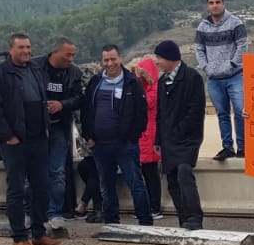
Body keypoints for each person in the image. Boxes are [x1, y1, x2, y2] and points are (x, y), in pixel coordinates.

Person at [0, 33, 60, 245]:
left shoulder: (36, 70)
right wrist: (8, 136)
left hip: (38, 139)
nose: (26, 51)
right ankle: (19, 237)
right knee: (17, 189)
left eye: (28, 47)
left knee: (42, 187)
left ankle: (38, 232)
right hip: (14, 142)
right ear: (11, 49)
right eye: (21, 48)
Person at [80, 44, 155, 226]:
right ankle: (112, 222)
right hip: (100, 145)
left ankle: (145, 222)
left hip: (125, 145)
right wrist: (88, 136)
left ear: (119, 58)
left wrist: (133, 136)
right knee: (106, 186)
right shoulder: (95, 82)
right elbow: (86, 110)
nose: (110, 63)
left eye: (113, 59)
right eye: (106, 60)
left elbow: (141, 111)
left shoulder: (131, 82)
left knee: (136, 183)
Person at [153, 40, 207, 230]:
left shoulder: (191, 77)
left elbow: (196, 110)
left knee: (184, 172)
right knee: (173, 181)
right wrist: (158, 139)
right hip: (168, 140)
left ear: (170, 58)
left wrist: (179, 131)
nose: (157, 62)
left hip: (186, 139)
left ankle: (194, 216)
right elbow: (160, 113)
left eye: (159, 58)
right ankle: (183, 218)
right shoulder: (162, 82)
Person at [35, 38, 85, 230]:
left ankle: (55, 212)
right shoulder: (34, 67)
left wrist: (62, 105)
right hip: (36, 128)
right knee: (33, 172)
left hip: (59, 128)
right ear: (55, 52)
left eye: (73, 55)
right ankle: (32, 212)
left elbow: (80, 98)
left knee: (57, 172)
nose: (71, 59)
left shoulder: (74, 72)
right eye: (68, 55)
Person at [195, 0, 248, 161]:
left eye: (218, 2)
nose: (215, 5)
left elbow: (242, 46)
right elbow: (199, 49)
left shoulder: (236, 24)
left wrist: (233, 63)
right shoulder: (202, 27)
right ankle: (227, 147)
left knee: (240, 111)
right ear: (208, 6)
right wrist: (206, 67)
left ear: (224, 4)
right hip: (214, 78)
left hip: (235, 76)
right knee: (222, 114)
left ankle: (243, 147)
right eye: (211, 2)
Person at [132, 57, 164, 220]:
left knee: (151, 174)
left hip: (150, 137)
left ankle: (155, 207)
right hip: (143, 137)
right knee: (144, 173)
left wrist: (138, 82)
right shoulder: (147, 88)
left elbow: (145, 103)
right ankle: (148, 206)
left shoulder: (154, 89)